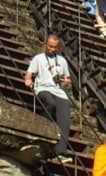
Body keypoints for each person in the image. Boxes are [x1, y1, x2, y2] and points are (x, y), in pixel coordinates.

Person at [25, 35, 73, 164]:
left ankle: (60, 152)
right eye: (50, 46)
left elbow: (67, 80)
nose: (52, 49)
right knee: (50, 104)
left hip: (59, 92)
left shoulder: (62, 61)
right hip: (43, 88)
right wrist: (28, 80)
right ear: (45, 45)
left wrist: (65, 82)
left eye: (55, 47)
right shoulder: (38, 58)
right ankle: (44, 128)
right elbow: (29, 74)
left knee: (65, 120)